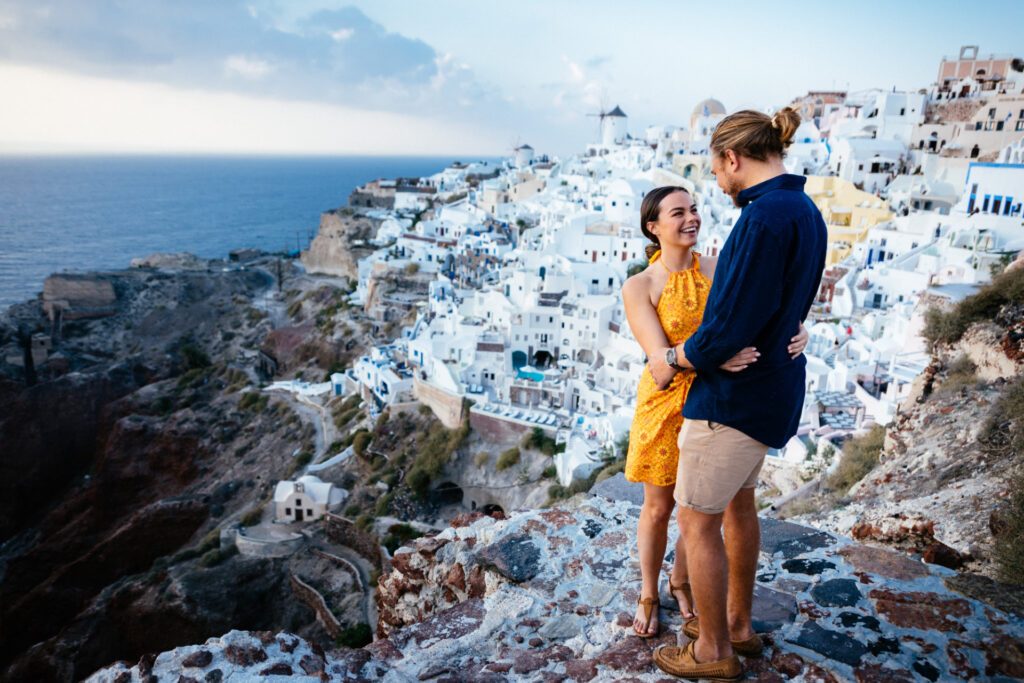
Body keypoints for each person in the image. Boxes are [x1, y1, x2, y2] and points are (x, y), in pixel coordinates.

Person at [651, 107, 827, 681]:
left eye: (716, 170)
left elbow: (727, 325)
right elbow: (787, 301)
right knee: (739, 505)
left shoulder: (760, 218)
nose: (717, 184)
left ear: (733, 158)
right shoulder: (804, 209)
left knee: (695, 521)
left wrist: (676, 358)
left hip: (732, 400)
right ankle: (739, 626)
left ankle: (713, 653)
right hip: (772, 390)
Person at [620, 185, 808, 639]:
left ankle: (681, 580)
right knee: (660, 507)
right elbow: (659, 363)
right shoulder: (640, 286)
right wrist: (713, 354)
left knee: (700, 506)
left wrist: (800, 331)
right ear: (654, 226)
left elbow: (759, 315)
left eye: (695, 209)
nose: (692, 218)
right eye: (678, 212)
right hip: (666, 406)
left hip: (718, 401)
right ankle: (648, 592)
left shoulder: (719, 268)